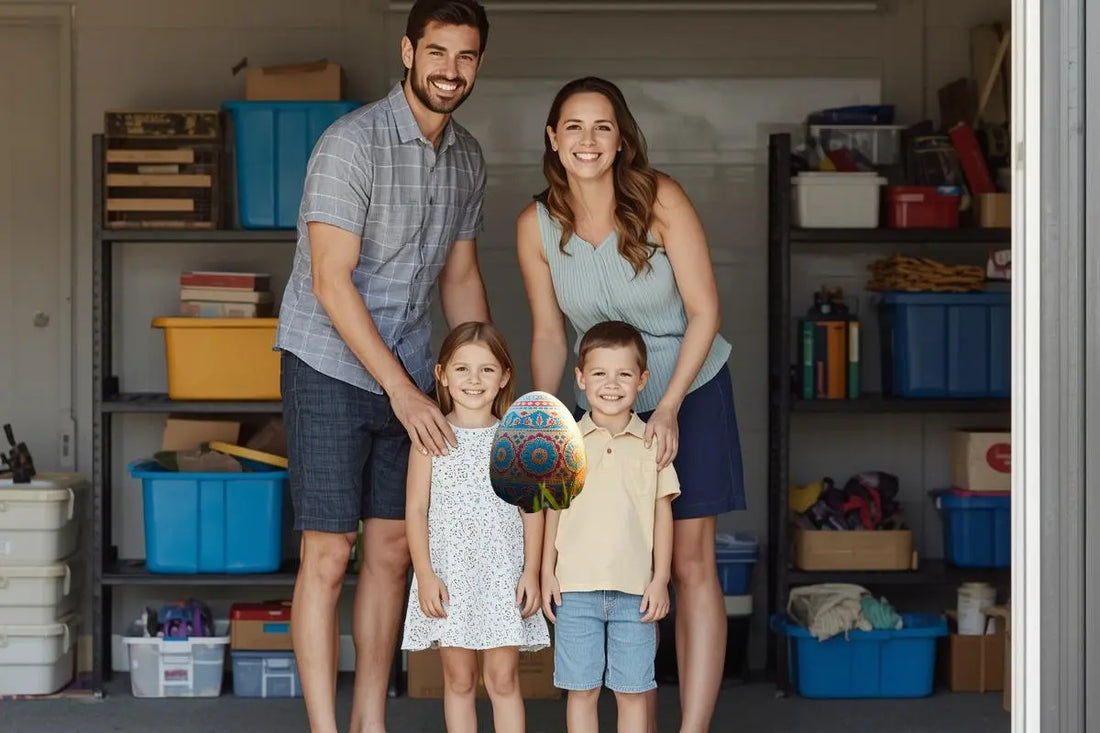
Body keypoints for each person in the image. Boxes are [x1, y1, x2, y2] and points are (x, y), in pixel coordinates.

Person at [273, 2, 492, 731]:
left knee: (395, 548)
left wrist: (481, 374)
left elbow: (459, 277)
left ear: (478, 64)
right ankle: (324, 726)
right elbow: (332, 281)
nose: (449, 71)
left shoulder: (467, 158)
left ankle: (370, 715)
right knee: (330, 551)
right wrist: (402, 390)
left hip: (412, 371)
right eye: (437, 53)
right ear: (407, 52)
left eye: (465, 57)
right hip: (331, 365)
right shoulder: (351, 144)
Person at [516, 76, 746, 733]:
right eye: (574, 127)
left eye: (603, 127)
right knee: (592, 559)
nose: (587, 140)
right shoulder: (536, 227)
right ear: (552, 140)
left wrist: (668, 405)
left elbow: (705, 312)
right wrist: (546, 417)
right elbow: (547, 333)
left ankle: (693, 725)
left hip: (689, 391)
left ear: (622, 140)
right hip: (599, 409)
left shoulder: (660, 199)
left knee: (691, 560)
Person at [402, 321, 550, 733]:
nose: (474, 380)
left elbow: (532, 510)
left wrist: (531, 573)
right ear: (442, 373)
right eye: (462, 368)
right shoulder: (430, 437)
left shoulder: (517, 438)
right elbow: (415, 510)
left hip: (503, 576)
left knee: (503, 680)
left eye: (487, 369)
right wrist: (425, 574)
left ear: (504, 376)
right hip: (450, 577)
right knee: (460, 679)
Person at [541, 320, 680, 733]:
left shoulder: (653, 444)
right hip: (575, 590)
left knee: (633, 692)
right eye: (599, 373)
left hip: (635, 594)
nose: (611, 384)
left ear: (643, 380)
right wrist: (547, 570)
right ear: (581, 379)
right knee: (581, 690)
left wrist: (661, 579)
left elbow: (663, 516)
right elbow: (554, 509)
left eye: (624, 374)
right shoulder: (567, 441)